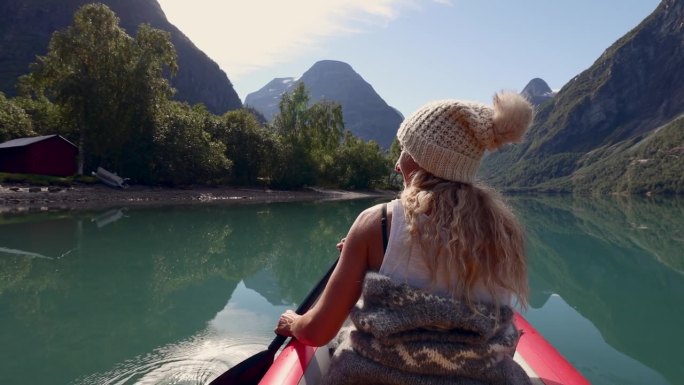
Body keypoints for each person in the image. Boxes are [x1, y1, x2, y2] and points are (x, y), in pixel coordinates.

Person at [275, 91, 534, 385]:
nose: (398, 164)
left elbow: (318, 332)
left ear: (423, 160)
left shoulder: (378, 222)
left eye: (404, 151)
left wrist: (295, 322)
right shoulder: (504, 234)